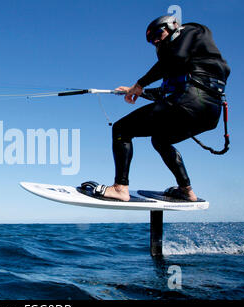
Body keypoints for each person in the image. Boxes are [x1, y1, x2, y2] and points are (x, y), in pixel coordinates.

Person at [91, 15, 230, 202]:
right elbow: (168, 90)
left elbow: (175, 59)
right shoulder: (192, 60)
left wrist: (139, 84)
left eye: (158, 34)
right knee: (161, 140)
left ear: (173, 26)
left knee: (121, 129)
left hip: (189, 102)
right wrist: (138, 92)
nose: (156, 41)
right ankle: (186, 190)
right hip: (209, 113)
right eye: (151, 41)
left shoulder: (191, 30)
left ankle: (119, 188)